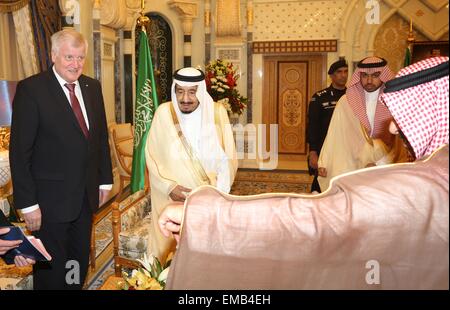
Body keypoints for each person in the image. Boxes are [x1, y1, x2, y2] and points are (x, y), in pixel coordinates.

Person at [157, 57, 449, 289]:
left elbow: (315, 220)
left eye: (408, 113)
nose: (395, 128)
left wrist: (208, 214)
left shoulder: (426, 185)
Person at [9, 29, 113, 289]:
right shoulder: (32, 89)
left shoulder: (92, 87)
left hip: (85, 198)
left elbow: (99, 139)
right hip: (48, 202)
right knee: (52, 270)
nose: (75, 64)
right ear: (53, 55)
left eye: (80, 58)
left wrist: (104, 182)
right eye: (69, 57)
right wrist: (28, 203)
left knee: (76, 263)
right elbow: (20, 151)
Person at [145, 67, 238, 262]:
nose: (185, 98)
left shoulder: (217, 113)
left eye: (192, 92)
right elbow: (151, 156)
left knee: (204, 253)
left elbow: (228, 157)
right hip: (170, 198)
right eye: (180, 91)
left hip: (208, 199)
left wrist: (216, 193)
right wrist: (169, 187)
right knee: (169, 252)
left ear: (201, 91)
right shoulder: (164, 113)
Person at [317, 56, 409, 191]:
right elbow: (334, 133)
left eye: (375, 75)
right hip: (351, 164)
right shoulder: (346, 101)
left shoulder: (394, 101)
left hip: (385, 167)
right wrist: (323, 161)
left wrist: (379, 162)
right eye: (365, 75)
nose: (369, 80)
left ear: (383, 75)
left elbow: (400, 140)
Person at [307, 59, 348, 192]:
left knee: (345, 182)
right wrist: (313, 152)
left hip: (347, 149)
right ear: (331, 75)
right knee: (321, 182)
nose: (343, 75)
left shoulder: (354, 96)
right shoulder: (319, 98)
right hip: (325, 148)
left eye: (346, 71)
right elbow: (312, 126)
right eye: (339, 72)